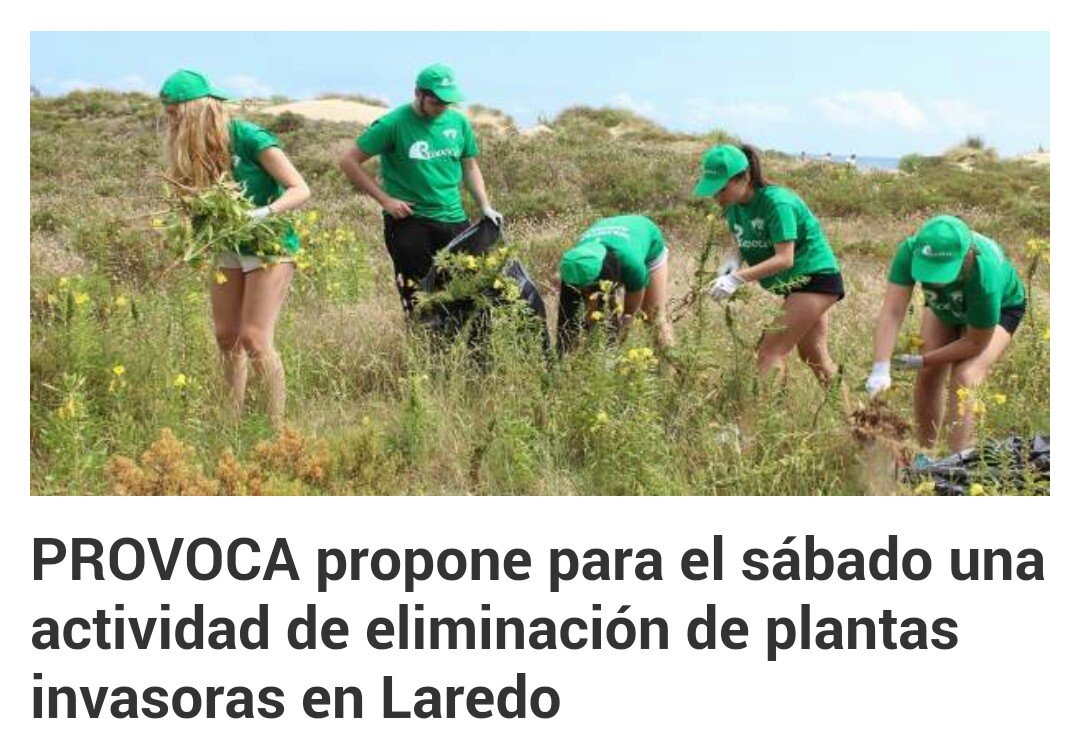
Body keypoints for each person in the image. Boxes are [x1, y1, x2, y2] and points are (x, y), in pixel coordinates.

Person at [159, 69, 310, 427]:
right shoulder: (191, 148)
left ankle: (274, 429)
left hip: (268, 244)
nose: (171, 121)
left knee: (255, 338)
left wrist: (263, 212)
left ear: (197, 108)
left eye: (175, 113)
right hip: (226, 244)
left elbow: (300, 188)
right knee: (227, 336)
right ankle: (232, 422)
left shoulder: (247, 137)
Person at [339, 63, 502, 315]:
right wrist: (385, 201)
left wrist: (485, 205)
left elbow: (470, 166)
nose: (441, 108)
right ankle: (425, 349)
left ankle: (459, 350)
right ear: (418, 94)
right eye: (436, 102)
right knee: (419, 298)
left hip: (453, 218)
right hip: (410, 221)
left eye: (447, 103)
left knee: (464, 293)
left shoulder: (459, 122)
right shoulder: (391, 124)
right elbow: (349, 161)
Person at [866, 215, 1026, 453]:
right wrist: (881, 367)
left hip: (1001, 308)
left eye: (941, 272)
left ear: (967, 256)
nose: (935, 281)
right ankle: (925, 456)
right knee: (929, 374)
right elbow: (892, 311)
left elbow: (973, 343)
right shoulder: (910, 250)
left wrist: (922, 359)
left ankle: (958, 465)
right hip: (945, 304)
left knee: (965, 376)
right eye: (929, 273)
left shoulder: (984, 275)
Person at [693, 143, 844, 382]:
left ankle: (752, 418)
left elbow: (785, 259)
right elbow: (740, 241)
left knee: (768, 353)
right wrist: (731, 262)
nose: (717, 197)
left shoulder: (777, 203)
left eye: (721, 189)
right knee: (814, 356)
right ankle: (854, 419)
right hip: (795, 285)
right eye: (713, 191)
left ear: (744, 177)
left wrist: (736, 279)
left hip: (815, 278)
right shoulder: (734, 208)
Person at [556, 214, 673, 355]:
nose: (585, 293)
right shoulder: (574, 264)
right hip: (610, 239)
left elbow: (629, 315)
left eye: (588, 289)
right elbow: (568, 322)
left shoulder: (632, 264)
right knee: (592, 320)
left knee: (653, 317)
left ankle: (671, 369)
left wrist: (616, 347)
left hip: (645, 237)